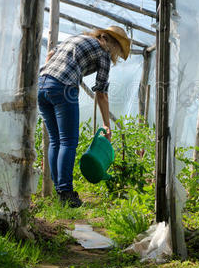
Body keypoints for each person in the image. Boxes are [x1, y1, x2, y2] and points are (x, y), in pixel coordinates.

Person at [38, 26, 130, 207]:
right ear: (112, 43)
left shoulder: (76, 38)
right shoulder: (103, 53)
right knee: (68, 141)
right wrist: (106, 124)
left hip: (42, 84)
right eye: (119, 51)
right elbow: (101, 93)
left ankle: (60, 190)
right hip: (63, 87)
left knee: (56, 141)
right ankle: (65, 193)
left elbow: (50, 55)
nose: (116, 55)